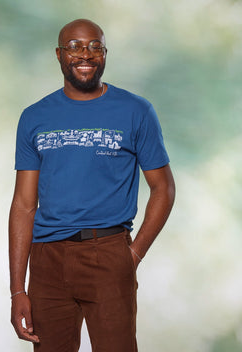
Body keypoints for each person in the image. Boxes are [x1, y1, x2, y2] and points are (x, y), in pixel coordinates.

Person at [9, 18, 175, 352]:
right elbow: (24, 205)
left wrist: (133, 254)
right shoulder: (34, 116)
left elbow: (163, 188)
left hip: (108, 253)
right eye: (74, 46)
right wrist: (17, 290)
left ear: (105, 54)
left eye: (95, 46)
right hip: (47, 262)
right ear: (59, 54)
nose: (85, 54)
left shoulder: (136, 111)